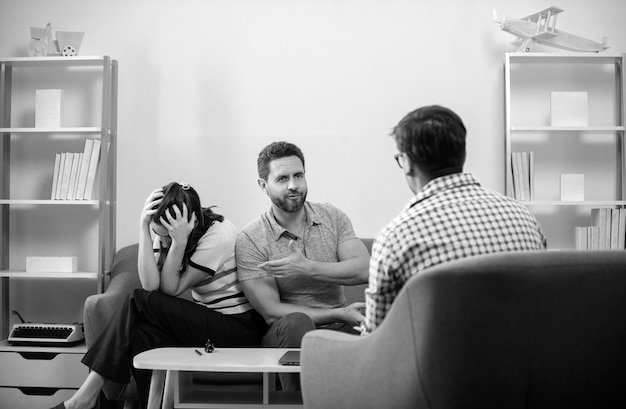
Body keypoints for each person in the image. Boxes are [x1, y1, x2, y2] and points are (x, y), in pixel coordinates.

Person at [51, 182, 266, 409]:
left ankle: (83, 399)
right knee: (144, 333)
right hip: (206, 326)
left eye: (167, 237)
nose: (162, 241)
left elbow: (168, 290)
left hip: (238, 332)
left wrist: (178, 242)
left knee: (138, 299)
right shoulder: (164, 229)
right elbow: (150, 284)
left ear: (187, 224)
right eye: (158, 234)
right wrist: (144, 227)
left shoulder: (219, 234)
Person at [361, 105, 547, 335]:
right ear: (462, 153)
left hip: (443, 369)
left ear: (407, 162)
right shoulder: (524, 217)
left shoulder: (396, 237)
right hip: (527, 364)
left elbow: (378, 339)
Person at [235, 141, 370, 389]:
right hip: (285, 334)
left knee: (384, 339)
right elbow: (272, 311)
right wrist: (338, 312)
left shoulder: (332, 216)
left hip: (338, 329)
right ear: (263, 185)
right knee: (298, 322)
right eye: (282, 178)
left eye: (299, 175)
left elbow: (365, 269)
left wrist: (308, 267)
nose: (294, 185)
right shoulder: (251, 238)